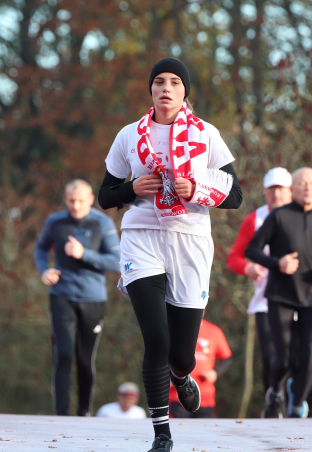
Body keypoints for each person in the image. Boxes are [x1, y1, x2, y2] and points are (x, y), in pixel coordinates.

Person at [98, 58, 242, 452]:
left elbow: (236, 194)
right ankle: (162, 433)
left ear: (184, 92)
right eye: (159, 81)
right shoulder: (130, 135)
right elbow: (105, 196)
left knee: (181, 354)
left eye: (175, 82)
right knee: (157, 340)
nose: (166, 88)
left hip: (189, 240)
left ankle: (181, 375)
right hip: (141, 237)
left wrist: (196, 190)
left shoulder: (206, 134)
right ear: (151, 90)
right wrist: (131, 189)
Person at [226, 167, 312, 417]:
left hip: (304, 295)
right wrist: (249, 267)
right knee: (273, 356)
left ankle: (300, 404)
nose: (277, 194)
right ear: (264, 191)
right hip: (267, 299)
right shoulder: (255, 219)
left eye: (281, 189)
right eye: (272, 189)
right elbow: (235, 257)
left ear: (291, 190)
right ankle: (275, 403)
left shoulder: (308, 216)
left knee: (305, 355)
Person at [35, 179, 120, 417]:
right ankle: (61, 414)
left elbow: (117, 262)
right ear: (65, 199)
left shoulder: (102, 223)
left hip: (93, 298)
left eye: (80, 200)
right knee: (63, 354)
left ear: (90, 200)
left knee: (84, 358)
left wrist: (84, 254)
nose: (75, 205)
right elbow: (40, 248)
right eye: (71, 200)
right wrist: (44, 270)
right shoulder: (55, 221)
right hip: (61, 295)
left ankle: (84, 412)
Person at [168, 314, 232, 418]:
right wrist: (168, 376)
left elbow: (226, 358)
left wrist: (216, 373)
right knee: (179, 428)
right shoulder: (175, 329)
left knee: (204, 428)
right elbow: (162, 356)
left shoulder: (214, 331)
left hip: (205, 396)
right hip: (178, 396)